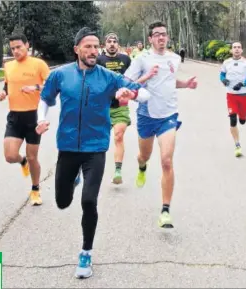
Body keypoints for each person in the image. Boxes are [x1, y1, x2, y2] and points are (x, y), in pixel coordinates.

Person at [36, 27, 152, 279]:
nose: (93, 50)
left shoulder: (108, 77)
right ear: (76, 49)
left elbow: (144, 93)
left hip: (95, 148)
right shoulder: (61, 75)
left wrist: (129, 94)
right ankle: (73, 177)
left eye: (95, 46)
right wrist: (41, 119)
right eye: (87, 46)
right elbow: (45, 98)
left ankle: (86, 253)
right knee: (63, 201)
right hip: (67, 147)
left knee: (88, 201)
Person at [123, 21, 198, 229]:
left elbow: (170, 81)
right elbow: (126, 81)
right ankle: (142, 166)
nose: (161, 38)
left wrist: (186, 85)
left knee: (166, 161)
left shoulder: (174, 58)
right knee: (143, 155)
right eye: (157, 35)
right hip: (147, 115)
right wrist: (146, 76)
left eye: (164, 34)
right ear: (150, 39)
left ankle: (165, 210)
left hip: (168, 116)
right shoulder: (141, 59)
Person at [74, 32, 157, 186]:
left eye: (114, 41)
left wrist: (134, 88)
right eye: (109, 41)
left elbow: (131, 80)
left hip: (120, 106)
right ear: (104, 45)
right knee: (92, 140)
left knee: (118, 136)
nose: (112, 43)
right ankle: (78, 171)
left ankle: (118, 171)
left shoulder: (125, 59)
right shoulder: (97, 60)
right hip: (100, 106)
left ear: (118, 44)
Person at [0, 34, 51, 206]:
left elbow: (53, 87)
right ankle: (22, 161)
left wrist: (35, 87)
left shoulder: (38, 64)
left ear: (27, 45)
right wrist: (3, 93)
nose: (16, 51)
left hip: (34, 116)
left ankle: (35, 189)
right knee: (10, 155)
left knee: (33, 157)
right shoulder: (9, 65)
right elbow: (7, 84)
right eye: (12, 48)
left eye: (19, 47)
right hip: (14, 116)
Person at [219, 42, 246, 157]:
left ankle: (243, 117)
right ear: (231, 50)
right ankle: (237, 144)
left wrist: (242, 84)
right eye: (234, 47)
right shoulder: (226, 62)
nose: (237, 49)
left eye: (239, 47)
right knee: (233, 119)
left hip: (243, 95)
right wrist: (223, 80)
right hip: (231, 96)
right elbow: (222, 75)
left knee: (242, 121)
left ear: (242, 50)